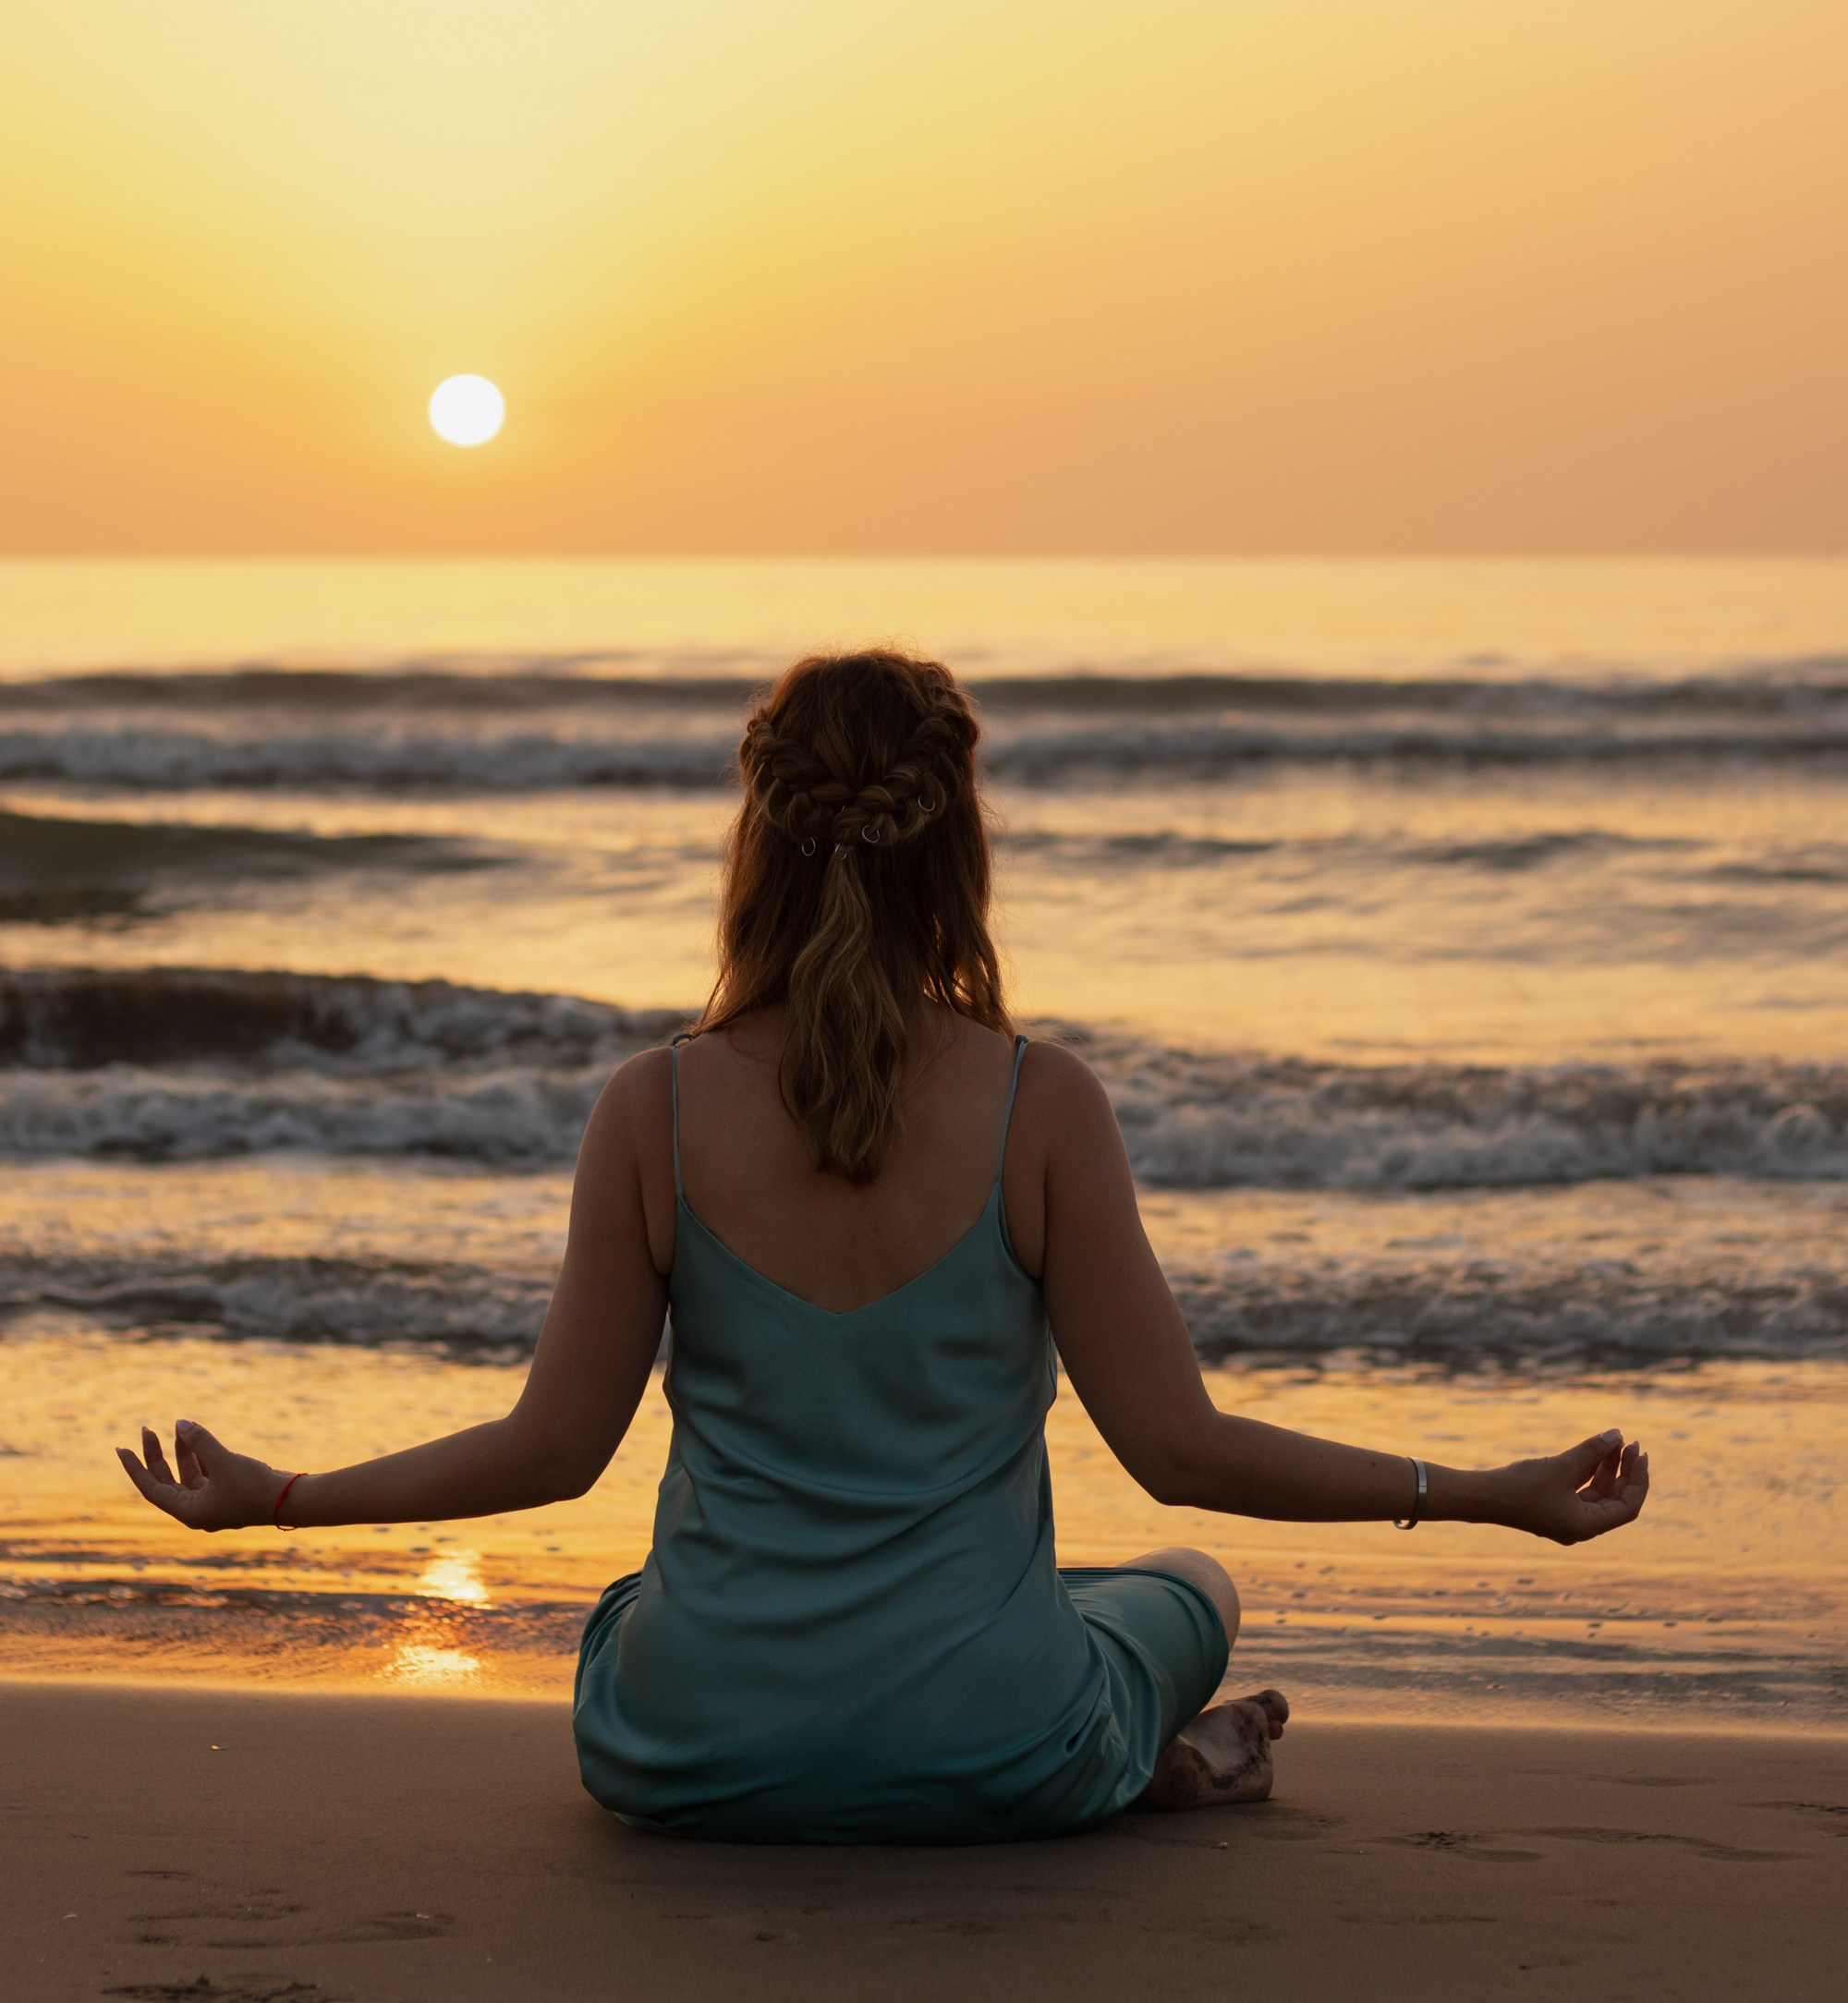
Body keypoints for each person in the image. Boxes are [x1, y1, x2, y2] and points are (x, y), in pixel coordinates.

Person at [117, 649, 1649, 1843]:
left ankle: (1104, 1747)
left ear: (759, 842)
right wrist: (1486, 1497)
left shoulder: (650, 1106)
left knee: (628, 1614)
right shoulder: (1041, 1103)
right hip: (995, 1750)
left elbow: (549, 1454)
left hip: (684, 1754)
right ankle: (1145, 1760)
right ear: (956, 844)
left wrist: (284, 1504)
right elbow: (1184, 1454)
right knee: (1181, 1583)